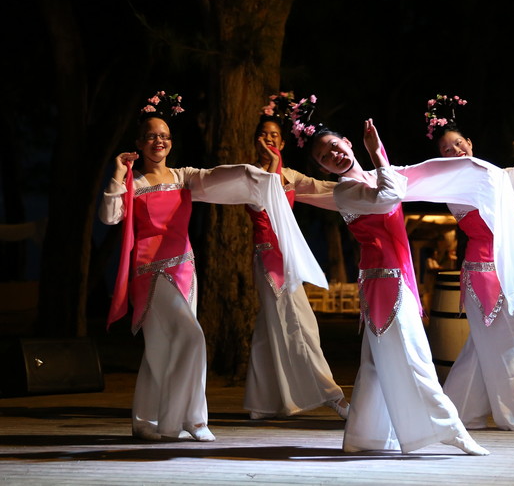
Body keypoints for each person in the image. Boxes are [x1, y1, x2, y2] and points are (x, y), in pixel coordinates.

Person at [99, 91, 326, 442]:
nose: (159, 140)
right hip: (151, 272)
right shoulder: (134, 183)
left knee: (160, 347)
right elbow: (110, 217)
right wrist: (117, 172)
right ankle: (184, 420)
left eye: (165, 136)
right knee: (190, 338)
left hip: (185, 271)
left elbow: (217, 176)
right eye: (151, 136)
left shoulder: (182, 176)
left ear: (171, 143)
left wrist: (253, 173)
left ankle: (148, 420)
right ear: (139, 143)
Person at [296, 96, 489, 455]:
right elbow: (388, 197)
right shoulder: (345, 192)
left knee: (375, 363)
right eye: (326, 157)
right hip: (385, 282)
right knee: (415, 356)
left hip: (391, 279)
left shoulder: (374, 175)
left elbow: (418, 176)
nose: (334, 155)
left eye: (336, 147)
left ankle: (363, 436)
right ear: (325, 169)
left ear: (347, 142)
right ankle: (451, 431)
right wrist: (377, 153)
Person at [423, 94, 514, 432]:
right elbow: (498, 189)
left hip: (492, 270)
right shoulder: (456, 186)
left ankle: (459, 415)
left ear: (470, 143)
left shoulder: (485, 173)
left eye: (458, 144)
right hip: (485, 273)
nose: (455, 152)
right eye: (447, 150)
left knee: (482, 348)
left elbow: (502, 185)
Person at [243, 93, 349, 420]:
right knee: (300, 323)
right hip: (269, 259)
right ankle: (332, 394)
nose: (269, 140)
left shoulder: (291, 176)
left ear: (283, 142)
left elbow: (323, 188)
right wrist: (272, 166)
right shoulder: (249, 174)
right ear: (256, 141)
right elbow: (266, 202)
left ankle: (261, 401)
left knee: (269, 327)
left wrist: (360, 189)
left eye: (275, 136)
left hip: (287, 256)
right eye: (264, 135)